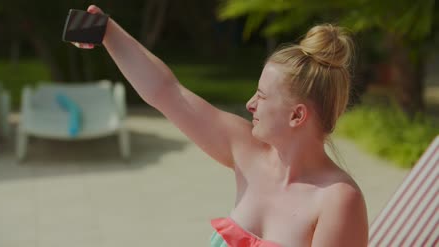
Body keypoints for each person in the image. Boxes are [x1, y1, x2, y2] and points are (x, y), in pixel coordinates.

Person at [73, 5, 368, 247]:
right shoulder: (247, 150)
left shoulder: (338, 201)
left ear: (297, 116)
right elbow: (168, 93)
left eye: (262, 96)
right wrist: (106, 31)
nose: (250, 104)